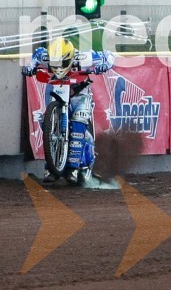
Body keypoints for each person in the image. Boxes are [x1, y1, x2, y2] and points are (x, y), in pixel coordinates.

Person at [22, 37, 115, 184]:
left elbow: (109, 55)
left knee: (78, 122)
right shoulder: (44, 56)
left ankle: (73, 167)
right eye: (54, 63)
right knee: (48, 124)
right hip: (57, 91)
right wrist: (30, 66)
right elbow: (36, 55)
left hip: (80, 95)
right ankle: (50, 167)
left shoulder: (83, 58)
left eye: (62, 63)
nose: (58, 67)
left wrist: (105, 65)